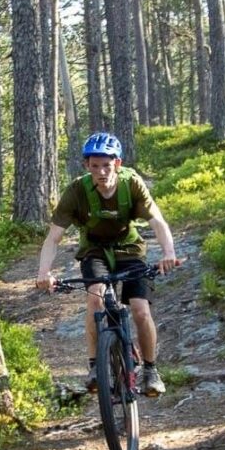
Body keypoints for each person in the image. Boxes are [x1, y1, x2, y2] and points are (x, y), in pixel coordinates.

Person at [35, 132, 182, 395]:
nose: (102, 171)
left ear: (118, 163)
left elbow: (157, 222)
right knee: (95, 301)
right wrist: (44, 272)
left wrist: (168, 253)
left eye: (107, 164)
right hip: (94, 251)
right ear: (86, 166)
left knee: (140, 309)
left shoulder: (132, 184)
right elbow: (53, 238)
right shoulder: (77, 192)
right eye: (95, 165)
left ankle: (150, 369)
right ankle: (95, 367)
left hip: (130, 248)